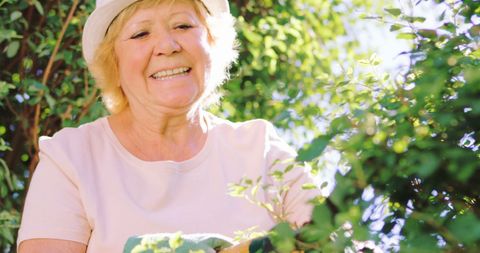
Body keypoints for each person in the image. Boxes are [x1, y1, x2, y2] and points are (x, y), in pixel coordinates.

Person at [17, 0, 319, 252]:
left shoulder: (261, 148)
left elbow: (330, 237)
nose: (167, 45)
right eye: (140, 34)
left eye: (183, 26)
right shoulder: (71, 158)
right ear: (114, 62)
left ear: (212, 43)